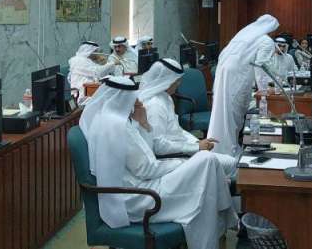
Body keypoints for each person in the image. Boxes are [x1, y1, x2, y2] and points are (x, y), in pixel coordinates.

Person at [80, 77, 237, 249]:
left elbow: (146, 152)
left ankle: (223, 218)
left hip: (139, 185)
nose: (138, 102)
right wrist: (181, 163)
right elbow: (147, 169)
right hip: (137, 197)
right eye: (133, 98)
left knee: (207, 168)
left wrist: (144, 123)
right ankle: (225, 219)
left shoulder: (110, 119)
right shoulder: (118, 126)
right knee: (207, 162)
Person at [138, 59, 237, 177]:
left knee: (229, 162)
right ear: (166, 81)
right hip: (172, 158)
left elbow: (177, 131)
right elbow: (158, 146)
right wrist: (195, 147)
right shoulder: (155, 105)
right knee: (231, 164)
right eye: (176, 80)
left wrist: (196, 142)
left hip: (182, 149)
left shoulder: (166, 98)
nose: (179, 84)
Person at [208, 14, 279, 156]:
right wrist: (265, 90)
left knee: (222, 114)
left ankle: (219, 148)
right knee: (233, 116)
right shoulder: (266, 41)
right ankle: (229, 153)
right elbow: (261, 66)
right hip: (237, 78)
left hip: (223, 75)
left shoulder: (244, 35)